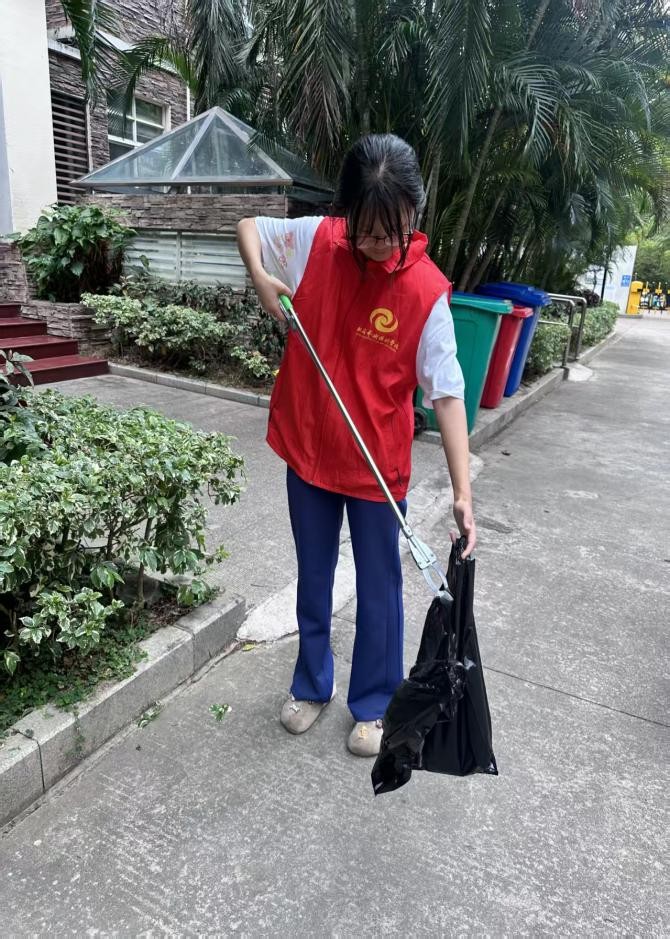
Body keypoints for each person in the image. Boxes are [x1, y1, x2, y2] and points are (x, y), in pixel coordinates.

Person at [237, 133, 476, 758]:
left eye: (391, 231)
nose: (377, 245)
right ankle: (312, 685)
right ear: (346, 214)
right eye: (365, 231)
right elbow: (249, 228)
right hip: (309, 453)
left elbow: (448, 394)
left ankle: (374, 701)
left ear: (414, 213)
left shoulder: (426, 292)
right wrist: (262, 277)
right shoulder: (319, 240)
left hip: (376, 471)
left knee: (379, 589)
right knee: (313, 577)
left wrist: (462, 491)